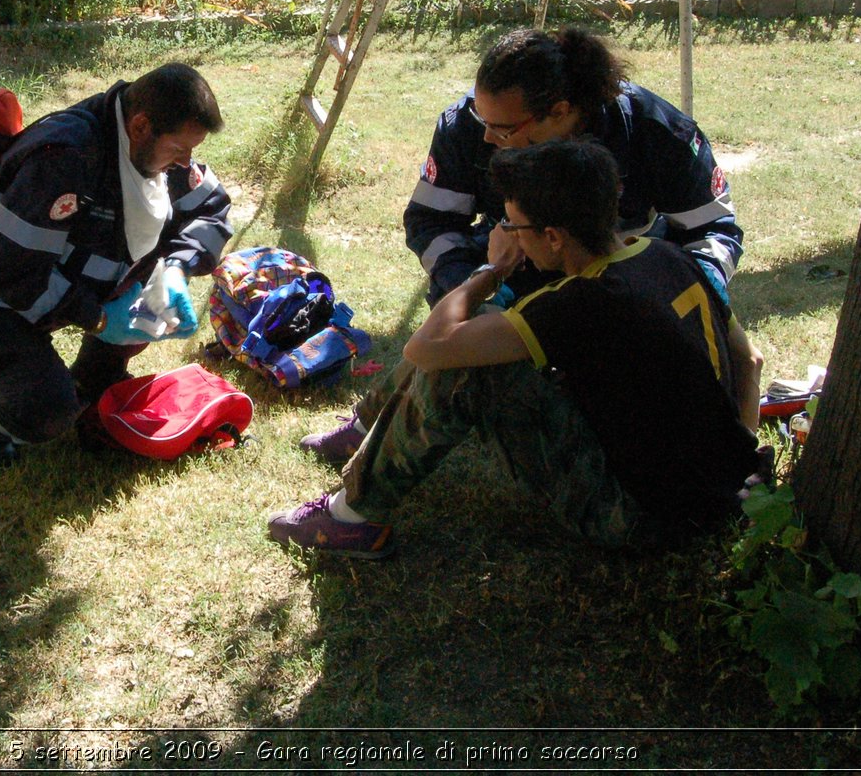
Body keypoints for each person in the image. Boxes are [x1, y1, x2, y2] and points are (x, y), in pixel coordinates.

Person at [269, 140, 765, 558]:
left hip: (644, 522)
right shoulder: (671, 256)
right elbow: (748, 361)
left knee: (466, 365)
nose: (505, 237)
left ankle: (350, 517)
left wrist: (490, 273)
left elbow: (426, 349)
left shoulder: (578, 302)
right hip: (724, 490)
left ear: (552, 236)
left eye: (511, 226)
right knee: (480, 339)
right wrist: (735, 454)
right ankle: (367, 430)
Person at [302, 26, 744, 463]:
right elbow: (430, 221)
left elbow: (714, 229)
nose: (488, 138)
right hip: (512, 271)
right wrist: (472, 285)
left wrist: (671, 300)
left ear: (561, 111)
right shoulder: (468, 127)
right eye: (482, 120)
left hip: (618, 294)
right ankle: (371, 424)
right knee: (455, 329)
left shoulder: (654, 130)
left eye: (504, 129)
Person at [0, 62, 232, 465]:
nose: (185, 162)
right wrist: (100, 319)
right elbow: (7, 269)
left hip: (56, 280)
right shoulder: (64, 158)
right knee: (45, 409)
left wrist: (175, 268)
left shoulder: (143, 144)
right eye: (179, 149)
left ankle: (93, 380)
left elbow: (211, 209)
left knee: (139, 310)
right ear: (141, 126)